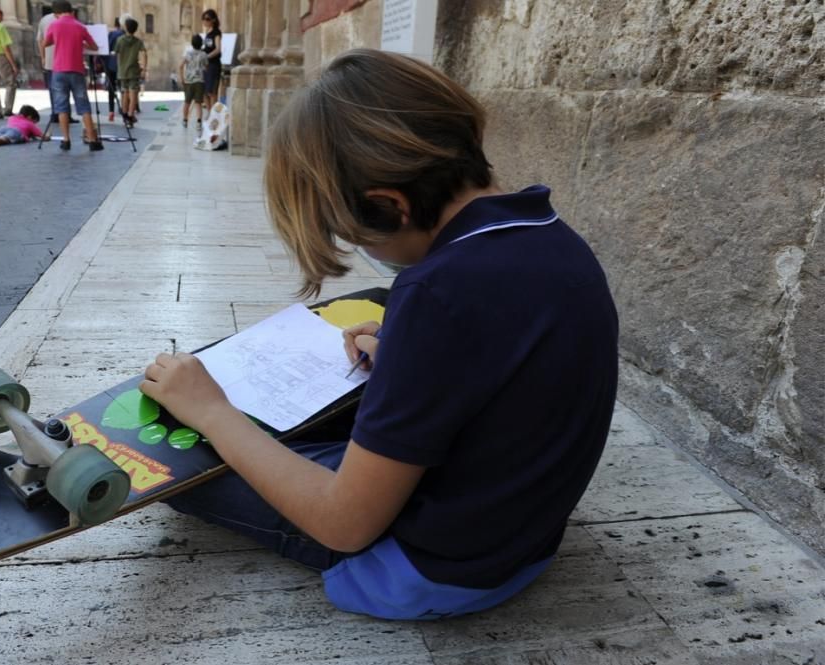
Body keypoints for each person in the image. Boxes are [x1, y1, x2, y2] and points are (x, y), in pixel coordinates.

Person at [139, 49, 619, 621]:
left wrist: (214, 413)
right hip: (522, 539)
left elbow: (343, 524)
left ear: (389, 206)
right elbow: (506, 363)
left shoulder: (435, 291)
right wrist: (406, 360)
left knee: (174, 467)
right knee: (289, 435)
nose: (363, 250)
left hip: (434, 570)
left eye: (352, 233)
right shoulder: (553, 235)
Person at [42, 0, 103, 151]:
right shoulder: (79, 26)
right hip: (77, 71)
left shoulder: (54, 25)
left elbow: (46, 43)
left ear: (56, 13)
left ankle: (66, 140)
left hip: (59, 71)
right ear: (72, 11)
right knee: (84, 106)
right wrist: (82, 45)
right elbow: (94, 46)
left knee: (62, 107)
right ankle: (93, 141)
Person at [37, 5, 77, 126]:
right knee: (66, 88)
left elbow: (40, 40)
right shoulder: (70, 21)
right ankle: (66, 115)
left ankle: (56, 114)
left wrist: (43, 57)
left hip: (50, 60)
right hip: (66, 60)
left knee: (53, 88)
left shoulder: (44, 19)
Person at [114, 17, 146, 127]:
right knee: (133, 96)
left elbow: (116, 54)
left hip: (122, 72)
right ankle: (130, 115)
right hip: (133, 72)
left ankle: (125, 117)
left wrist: (119, 66)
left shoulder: (120, 40)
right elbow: (144, 54)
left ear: (126, 28)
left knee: (124, 94)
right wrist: (144, 68)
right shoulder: (138, 42)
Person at [179, 34, 207, 131]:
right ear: (201, 44)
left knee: (187, 102)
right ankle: (199, 122)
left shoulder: (188, 53)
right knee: (198, 103)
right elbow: (206, 66)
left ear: (192, 43)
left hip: (189, 81)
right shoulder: (203, 54)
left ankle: (185, 120)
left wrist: (182, 78)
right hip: (200, 81)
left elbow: (180, 66)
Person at [199, 9, 222, 113]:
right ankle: (209, 113)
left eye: (207, 19)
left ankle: (214, 115)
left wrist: (207, 56)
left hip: (213, 65)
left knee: (212, 92)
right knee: (204, 91)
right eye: (203, 18)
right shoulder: (207, 33)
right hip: (206, 65)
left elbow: (218, 49)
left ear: (213, 20)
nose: (205, 21)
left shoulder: (216, 33)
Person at [104, 16, 123, 122]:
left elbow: (106, 49)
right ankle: (124, 109)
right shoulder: (124, 34)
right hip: (122, 65)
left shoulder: (111, 34)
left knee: (111, 89)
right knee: (123, 89)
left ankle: (111, 111)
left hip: (111, 64)